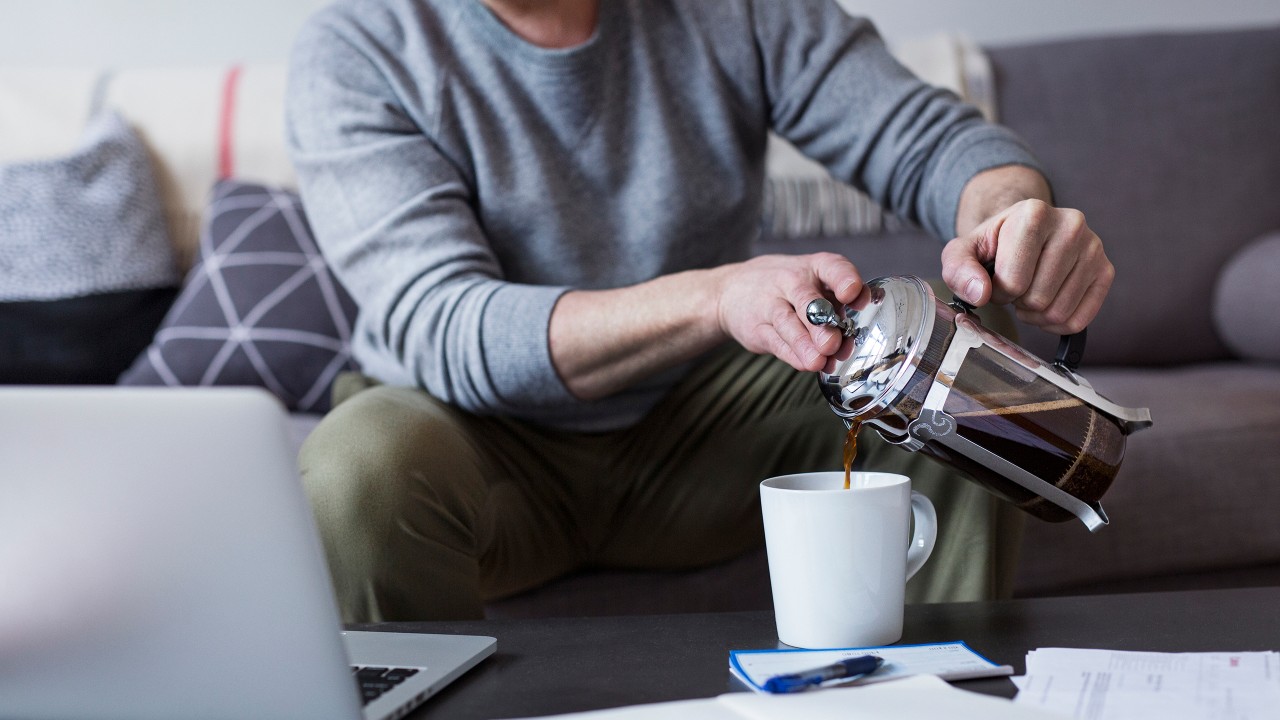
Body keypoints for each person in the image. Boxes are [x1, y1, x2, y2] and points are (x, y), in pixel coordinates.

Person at [286, 0, 1113, 623]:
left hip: (706, 428)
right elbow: (450, 326)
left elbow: (931, 141)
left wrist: (1010, 215)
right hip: (477, 440)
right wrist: (716, 297)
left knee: (953, 355)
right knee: (358, 469)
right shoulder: (357, 48)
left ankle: (930, 698)